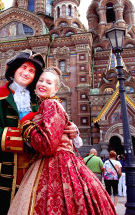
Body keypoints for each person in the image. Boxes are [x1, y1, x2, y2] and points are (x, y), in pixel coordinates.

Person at [0, 50, 79, 215]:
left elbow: (53, 124)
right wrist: (31, 139)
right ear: (14, 69)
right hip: (1, 172)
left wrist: (71, 130)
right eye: (23, 67)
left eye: (32, 71)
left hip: (33, 171)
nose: (26, 73)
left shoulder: (41, 99)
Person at [8, 67, 116, 214]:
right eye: (41, 80)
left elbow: (48, 146)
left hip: (54, 162)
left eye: (48, 82)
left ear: (55, 88)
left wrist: (26, 126)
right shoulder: (48, 104)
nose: (43, 84)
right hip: (65, 160)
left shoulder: (49, 104)